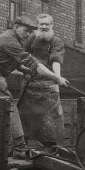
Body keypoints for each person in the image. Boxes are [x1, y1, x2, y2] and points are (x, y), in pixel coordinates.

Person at [0, 16, 69, 158]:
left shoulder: (21, 40)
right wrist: (57, 78)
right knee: (9, 106)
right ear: (16, 27)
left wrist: (26, 70)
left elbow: (17, 63)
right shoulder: (9, 40)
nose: (27, 34)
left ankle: (3, 145)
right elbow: (33, 63)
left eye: (30, 31)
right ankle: (18, 147)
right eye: (26, 30)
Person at [18, 13, 66, 151]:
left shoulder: (56, 41)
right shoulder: (31, 38)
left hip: (48, 87)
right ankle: (25, 146)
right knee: (26, 118)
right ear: (37, 25)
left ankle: (52, 148)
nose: (44, 27)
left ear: (52, 25)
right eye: (41, 24)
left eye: (47, 24)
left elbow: (56, 61)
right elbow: (22, 56)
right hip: (30, 86)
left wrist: (58, 78)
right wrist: (26, 71)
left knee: (51, 122)